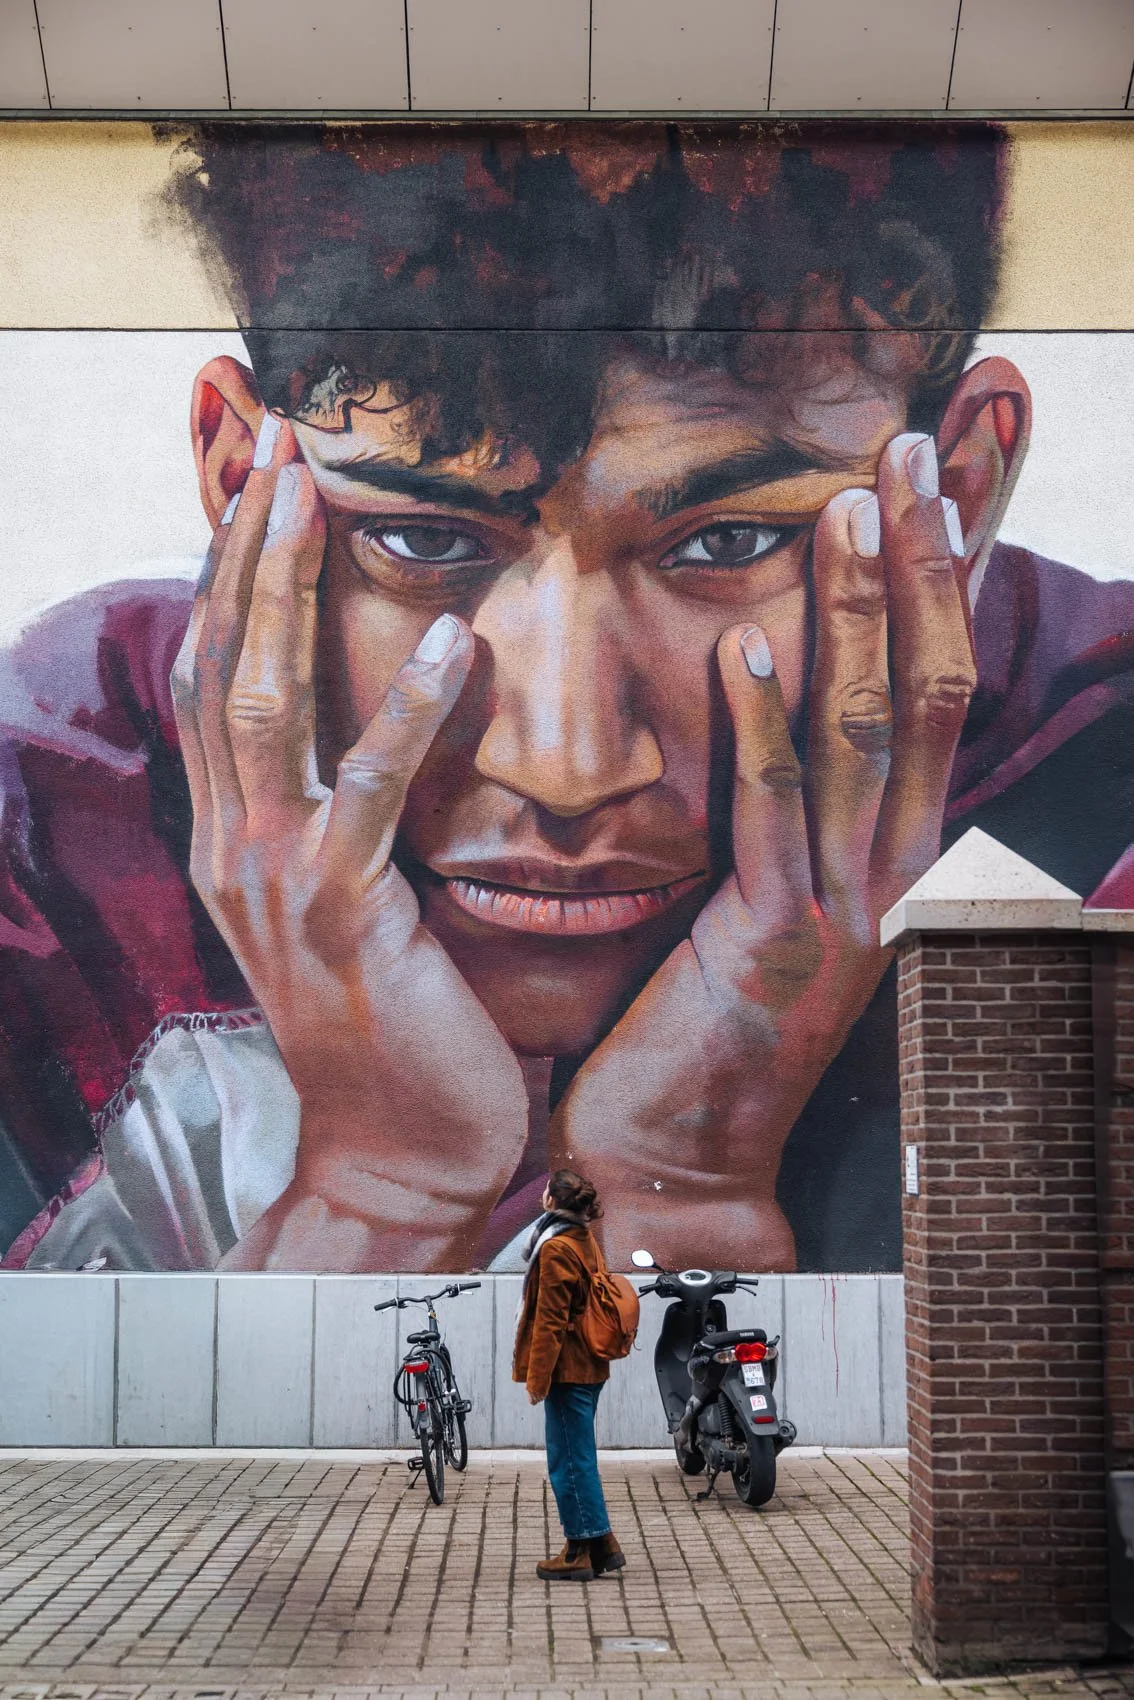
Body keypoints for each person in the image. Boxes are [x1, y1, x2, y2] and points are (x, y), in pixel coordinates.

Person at [4, 120, 1134, 1275]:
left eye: (733, 539)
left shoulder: (1107, 804)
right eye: (418, 535)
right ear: (244, 481)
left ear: (954, 493)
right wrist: (383, 1191)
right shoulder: (57, 825)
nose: (567, 761)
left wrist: (683, 1185)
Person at [513, 1168, 623, 1581]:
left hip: (568, 1368)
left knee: (569, 1461)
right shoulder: (583, 1240)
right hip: (588, 1364)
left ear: (551, 1201)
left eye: (545, 1190)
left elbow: (550, 1320)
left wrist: (537, 1378)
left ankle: (579, 1549)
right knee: (579, 1455)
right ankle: (603, 1543)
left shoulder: (557, 1248)